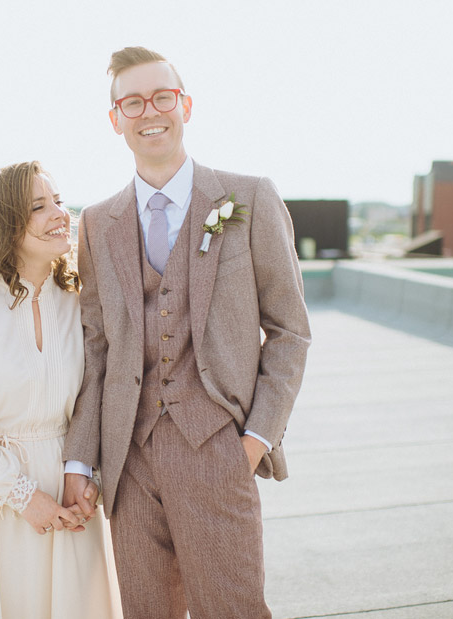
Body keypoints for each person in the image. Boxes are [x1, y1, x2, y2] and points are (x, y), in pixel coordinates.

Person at [62, 47, 312, 618]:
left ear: (186, 105)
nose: (150, 110)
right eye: (133, 101)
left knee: (233, 610)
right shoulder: (98, 221)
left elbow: (290, 331)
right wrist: (80, 460)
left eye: (162, 96)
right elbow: (95, 347)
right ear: (115, 118)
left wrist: (254, 441)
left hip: (219, 449)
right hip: (127, 458)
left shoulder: (247, 197)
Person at [0, 161, 121, 618]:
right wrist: (25, 498)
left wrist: (88, 476)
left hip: (74, 495)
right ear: (4, 226)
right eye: (39, 206)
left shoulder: (80, 302)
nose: (60, 214)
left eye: (59, 201)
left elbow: (100, 399)